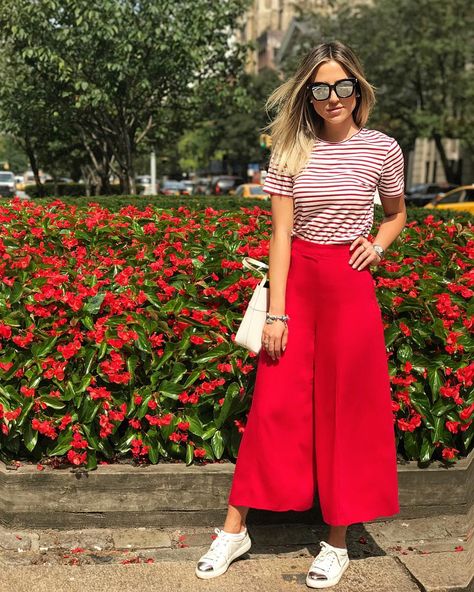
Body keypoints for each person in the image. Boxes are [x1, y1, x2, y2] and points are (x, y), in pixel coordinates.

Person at [195, 40, 406, 589]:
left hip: (351, 288)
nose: (332, 97)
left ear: (357, 90)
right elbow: (280, 234)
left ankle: (337, 541)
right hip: (300, 285)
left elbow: (397, 214)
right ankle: (233, 530)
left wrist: (379, 246)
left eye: (342, 86)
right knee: (272, 405)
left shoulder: (382, 148)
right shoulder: (290, 148)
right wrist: (278, 313)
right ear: (307, 95)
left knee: (347, 414)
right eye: (320, 88)